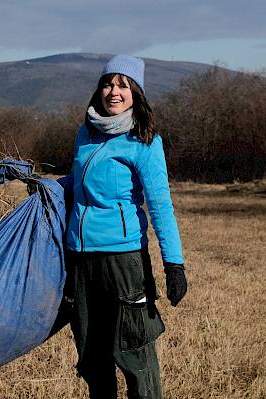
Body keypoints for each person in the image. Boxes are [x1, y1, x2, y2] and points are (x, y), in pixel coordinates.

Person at [59, 55, 188, 398]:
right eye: (107, 83)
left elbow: (160, 205)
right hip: (81, 260)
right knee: (92, 356)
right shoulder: (84, 134)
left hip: (123, 260)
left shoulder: (144, 141)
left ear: (136, 92)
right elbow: (77, 184)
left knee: (134, 353)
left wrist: (174, 264)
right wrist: (45, 186)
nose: (113, 91)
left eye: (123, 85)